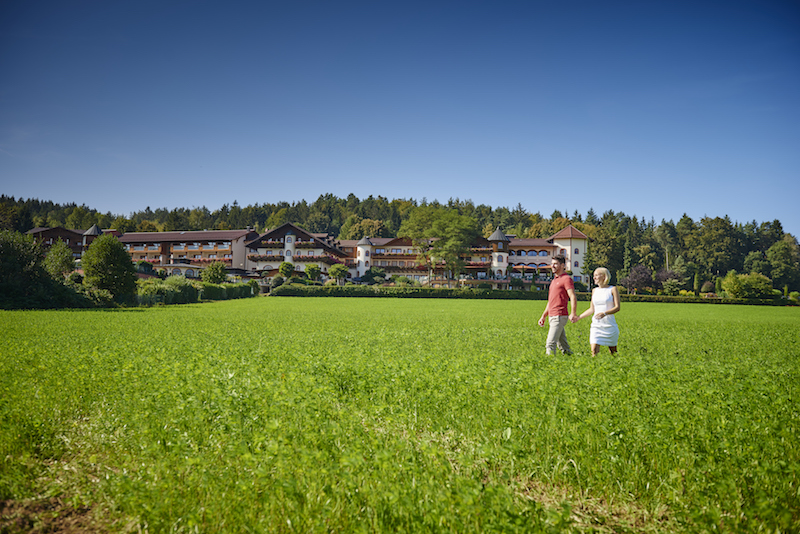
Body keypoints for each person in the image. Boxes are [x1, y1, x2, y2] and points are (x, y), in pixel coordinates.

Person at [575, 267, 620, 355]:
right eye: (594, 275)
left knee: (613, 352)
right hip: (596, 325)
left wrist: (605, 313)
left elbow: (617, 307)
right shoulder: (594, 291)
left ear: (604, 276)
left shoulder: (612, 289)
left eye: (596, 275)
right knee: (594, 351)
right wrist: (578, 317)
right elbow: (592, 309)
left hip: (609, 325)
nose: (594, 277)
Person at [538, 256, 577, 355]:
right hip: (552, 315)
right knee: (563, 347)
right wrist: (543, 316)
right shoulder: (554, 280)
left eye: (555, 264)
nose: (552, 266)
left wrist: (573, 313)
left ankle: (549, 363)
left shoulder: (566, 279)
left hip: (559, 315)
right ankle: (571, 358)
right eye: (552, 264)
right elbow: (550, 301)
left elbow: (572, 296)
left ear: (562, 265)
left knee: (550, 344)